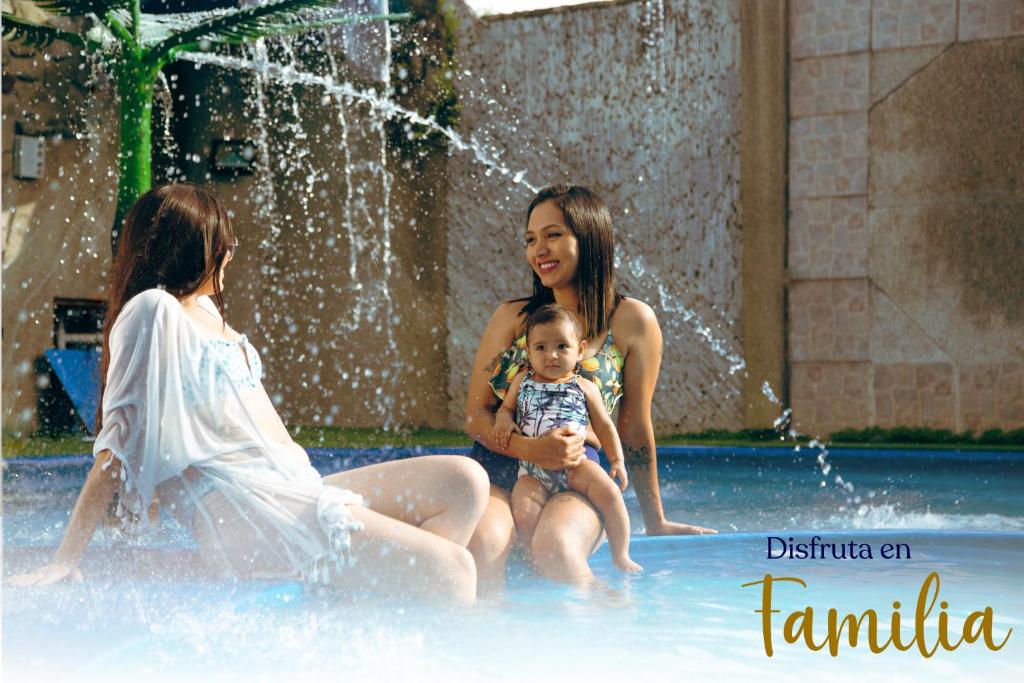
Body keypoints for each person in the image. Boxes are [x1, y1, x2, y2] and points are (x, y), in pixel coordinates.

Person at [10, 184, 488, 603]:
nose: (231, 253)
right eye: (223, 244)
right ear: (190, 250)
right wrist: (64, 560)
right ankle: (411, 612)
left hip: (295, 491)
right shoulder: (153, 311)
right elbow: (114, 448)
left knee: (464, 482)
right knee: (454, 569)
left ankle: (380, 603)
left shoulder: (205, 312)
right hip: (250, 515)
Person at [465, 183, 717, 587]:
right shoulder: (511, 318)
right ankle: (494, 642)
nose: (538, 250)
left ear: (589, 237)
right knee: (484, 546)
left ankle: (607, 629)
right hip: (500, 469)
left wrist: (655, 520)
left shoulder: (634, 322)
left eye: (553, 235)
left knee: (557, 548)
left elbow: (634, 425)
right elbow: (477, 416)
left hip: (576, 473)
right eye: (531, 240)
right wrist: (531, 449)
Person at [494, 303, 641, 573]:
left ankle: (621, 554)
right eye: (541, 347)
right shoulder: (522, 382)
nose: (551, 355)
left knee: (609, 493)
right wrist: (503, 421)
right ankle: (532, 557)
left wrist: (617, 460)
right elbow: (505, 409)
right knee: (523, 505)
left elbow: (606, 427)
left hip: (576, 465)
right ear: (528, 351)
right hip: (533, 471)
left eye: (562, 346)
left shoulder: (584, 387)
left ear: (580, 350)